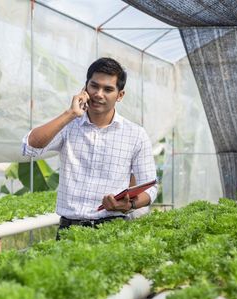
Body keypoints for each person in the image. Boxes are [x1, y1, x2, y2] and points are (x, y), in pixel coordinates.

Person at [22, 57, 157, 238]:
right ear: (85, 88)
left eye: (108, 89)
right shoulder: (69, 125)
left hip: (112, 229)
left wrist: (129, 205)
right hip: (70, 228)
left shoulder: (136, 135)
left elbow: (150, 188)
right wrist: (70, 114)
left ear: (120, 95)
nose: (99, 94)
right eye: (94, 86)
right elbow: (29, 147)